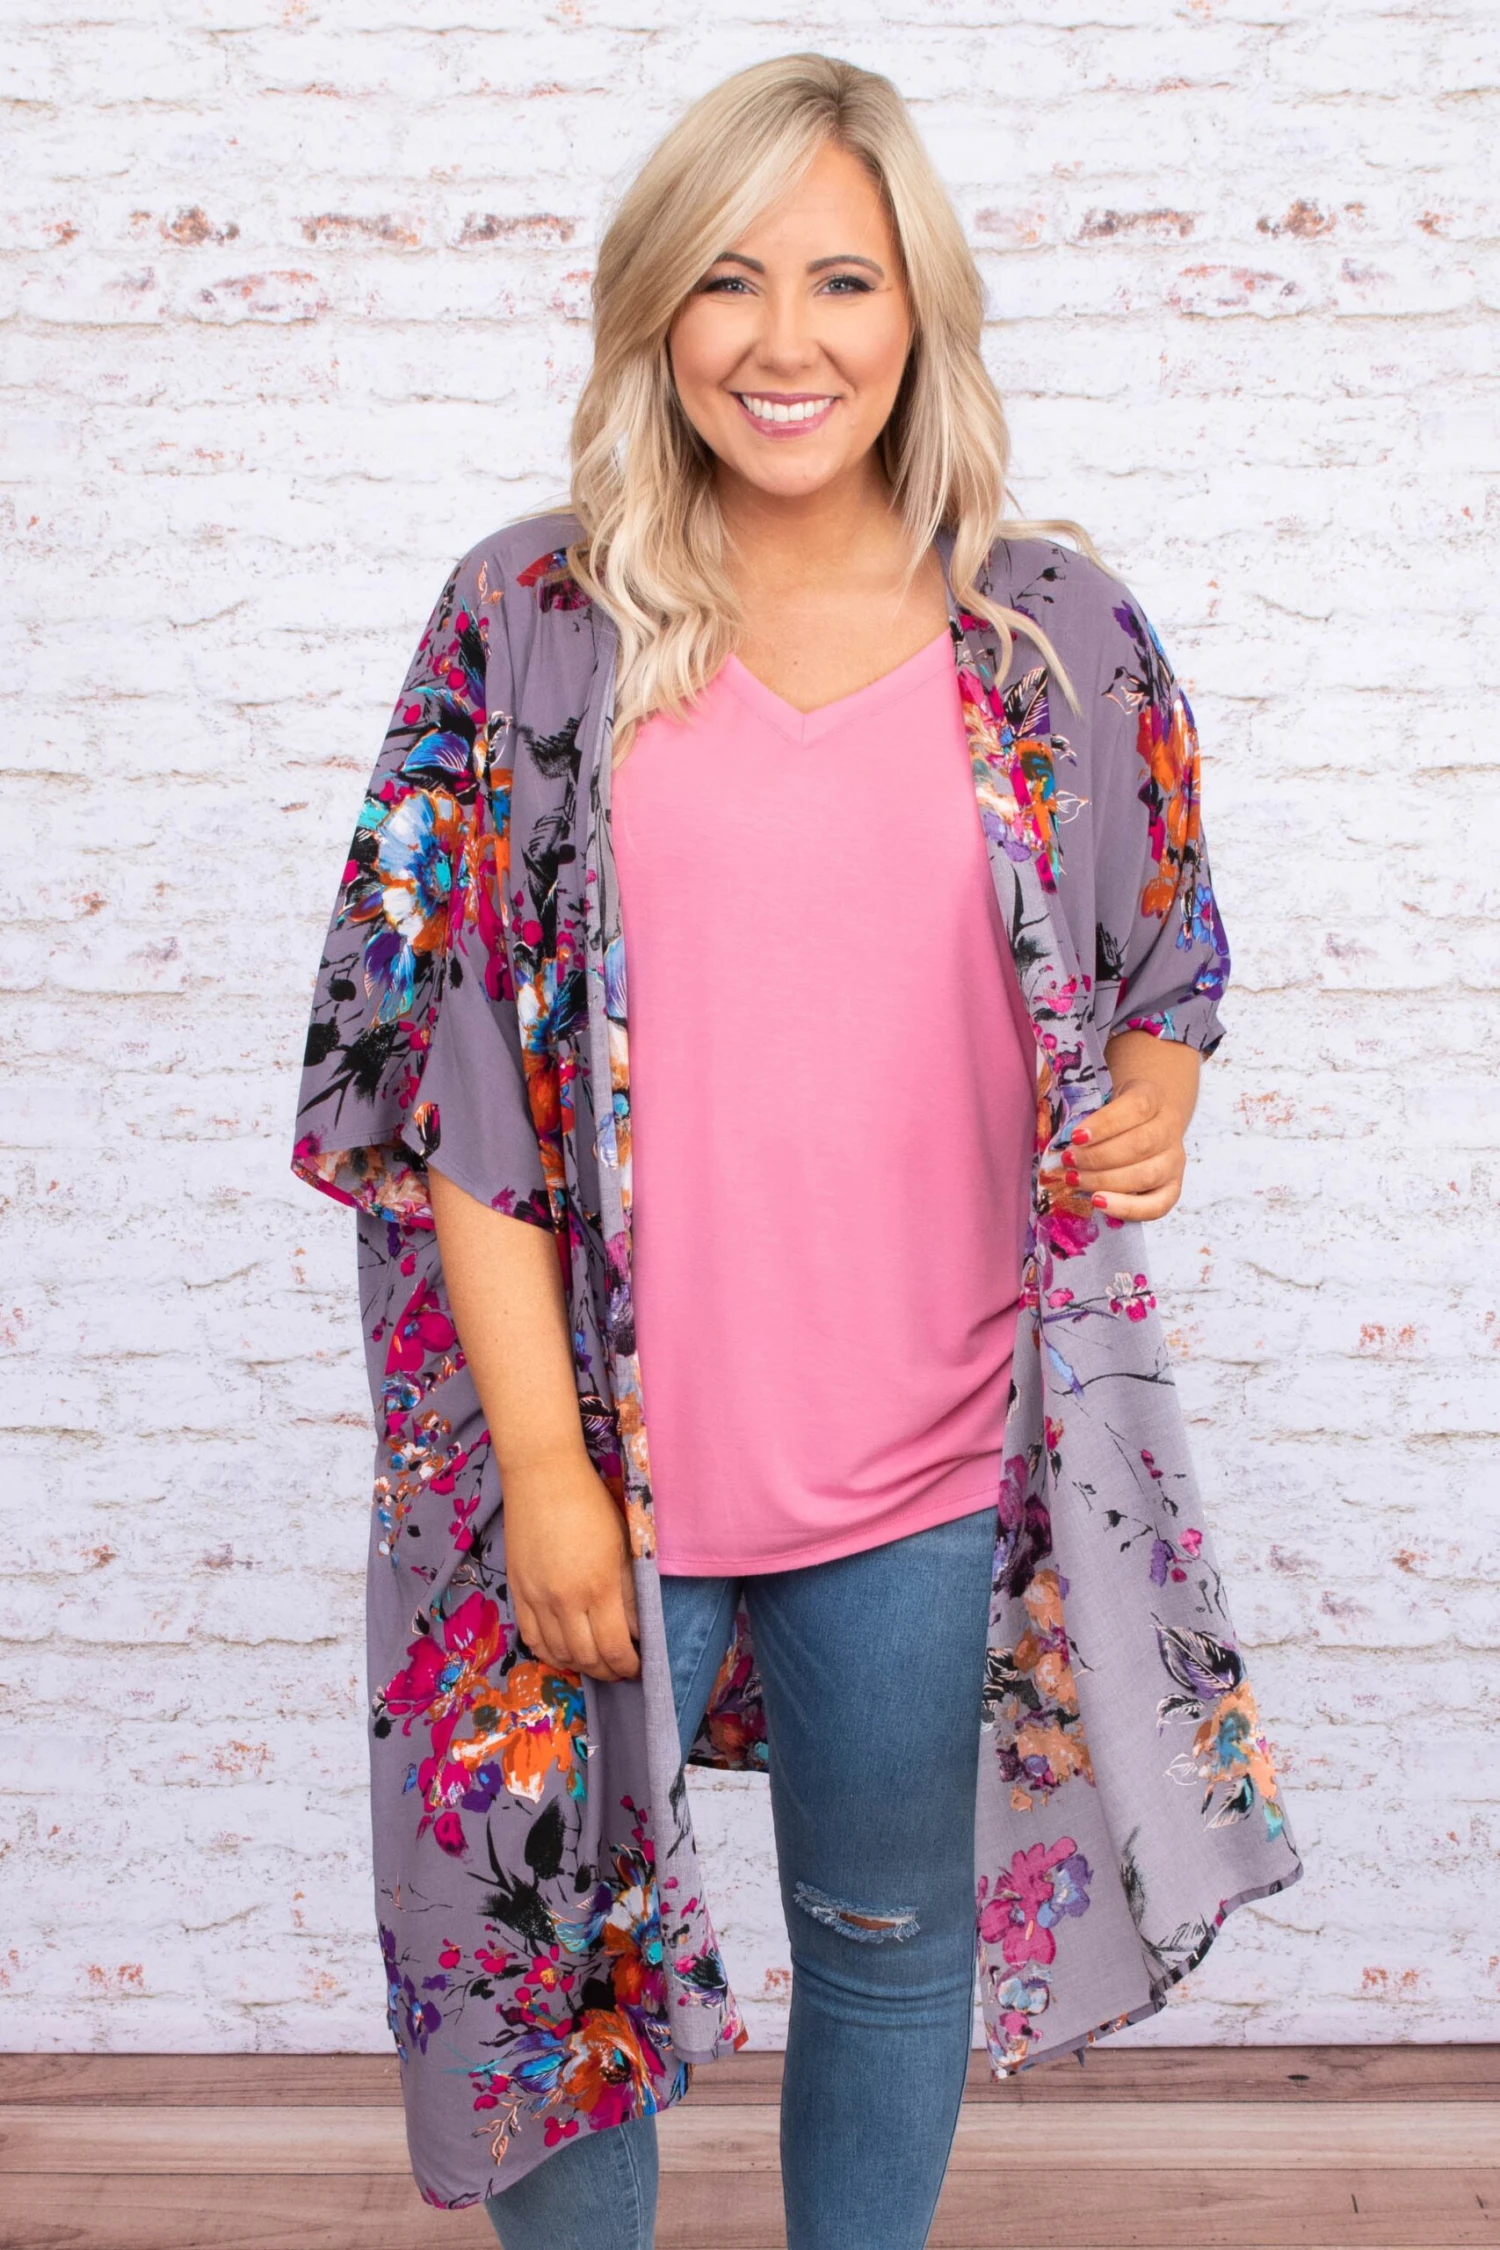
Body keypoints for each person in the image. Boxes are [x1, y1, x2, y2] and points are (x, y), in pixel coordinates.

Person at [291, 51, 1302, 2250]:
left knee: (886, 1932)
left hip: (929, 1448)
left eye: (843, 278)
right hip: (593, 1451)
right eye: (729, 279)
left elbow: (1166, 956)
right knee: (554, 1973)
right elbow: (439, 1076)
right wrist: (543, 1470)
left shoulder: (1054, 636)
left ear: (919, 307)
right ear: (658, 310)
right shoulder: (529, 624)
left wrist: (1158, 1095)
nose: (786, 339)